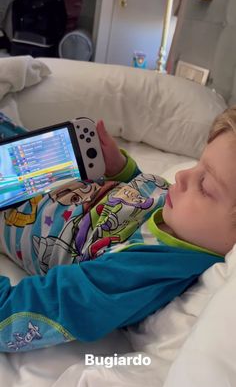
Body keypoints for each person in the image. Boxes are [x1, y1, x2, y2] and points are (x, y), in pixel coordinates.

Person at [0, 106, 235, 352]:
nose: (182, 175)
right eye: (198, 163)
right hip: (46, 173)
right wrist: (121, 169)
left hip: (13, 207)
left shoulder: (142, 273)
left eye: (206, 184)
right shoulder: (183, 216)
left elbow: (30, 313)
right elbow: (137, 202)